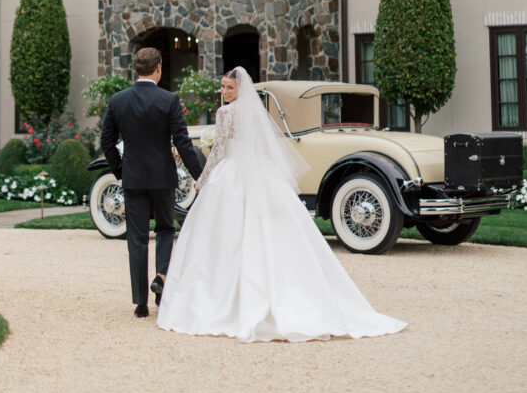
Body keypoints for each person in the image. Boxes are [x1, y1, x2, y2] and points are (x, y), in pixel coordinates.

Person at [157, 66, 407, 343]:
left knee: (225, 235)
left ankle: (227, 297)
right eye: (222, 87)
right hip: (258, 172)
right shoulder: (254, 112)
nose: (224, 92)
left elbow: (217, 152)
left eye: (228, 87)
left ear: (240, 89)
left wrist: (202, 181)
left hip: (231, 174)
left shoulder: (225, 113)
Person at [100, 47, 204, 318]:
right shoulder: (169, 99)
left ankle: (140, 302)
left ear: (138, 68)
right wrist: (200, 175)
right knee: (166, 229)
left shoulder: (118, 100)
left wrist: (120, 170)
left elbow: (106, 142)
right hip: (162, 178)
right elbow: (182, 142)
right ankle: (161, 284)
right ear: (158, 68)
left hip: (133, 179)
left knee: (136, 238)